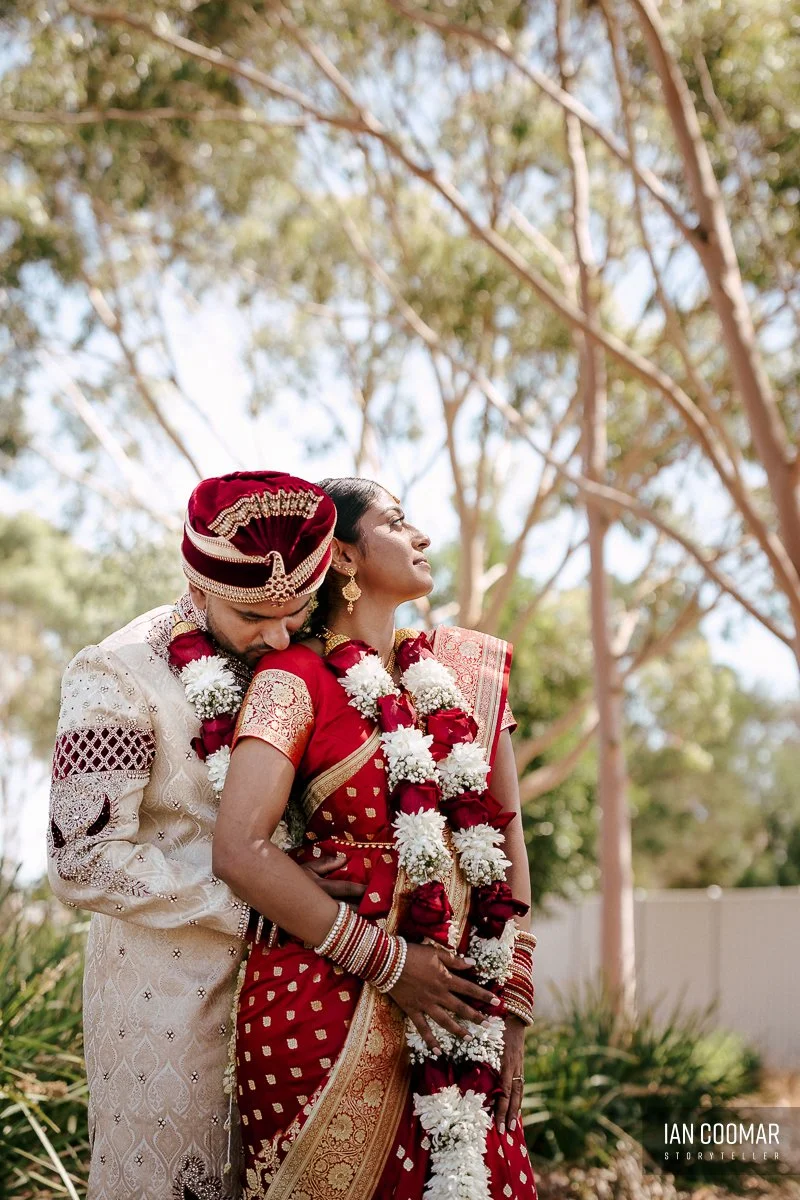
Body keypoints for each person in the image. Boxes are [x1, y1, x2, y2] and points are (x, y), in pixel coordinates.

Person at [213, 477, 538, 1200]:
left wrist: (512, 998)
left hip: (460, 1009)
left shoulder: (468, 676)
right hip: (324, 1009)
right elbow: (238, 849)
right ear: (348, 559)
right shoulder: (292, 677)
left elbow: (508, 842)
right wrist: (391, 964)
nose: (421, 536)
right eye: (398, 521)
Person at [47, 470, 367, 1200]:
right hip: (165, 1002)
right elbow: (80, 861)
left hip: (297, 988)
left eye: (296, 611)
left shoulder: (304, 656)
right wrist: (261, 902)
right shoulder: (117, 673)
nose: (279, 634)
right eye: (254, 614)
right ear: (196, 589)